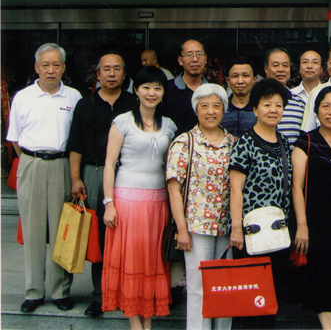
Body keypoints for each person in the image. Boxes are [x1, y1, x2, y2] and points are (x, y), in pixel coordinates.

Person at [7, 43, 82, 313]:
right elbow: (15, 138)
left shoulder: (73, 97)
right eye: (45, 65)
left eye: (56, 65)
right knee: (33, 230)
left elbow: (78, 138)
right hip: (31, 163)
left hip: (63, 165)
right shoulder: (23, 97)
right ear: (36, 67)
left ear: (63, 67)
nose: (51, 70)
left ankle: (60, 291)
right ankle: (33, 292)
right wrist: (32, 159)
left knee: (63, 230)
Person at [101, 66, 177, 330]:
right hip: (127, 202)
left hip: (158, 204)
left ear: (163, 92)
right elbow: (109, 164)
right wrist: (108, 203)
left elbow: (169, 167)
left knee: (152, 261)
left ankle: (148, 320)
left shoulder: (169, 126)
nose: (151, 93)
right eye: (146, 87)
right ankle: (135, 321)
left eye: (157, 87)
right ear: (136, 90)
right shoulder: (122, 122)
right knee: (131, 260)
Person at [67, 52, 135, 317]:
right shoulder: (85, 104)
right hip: (94, 174)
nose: (111, 73)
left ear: (124, 74)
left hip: (127, 175)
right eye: (106, 69)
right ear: (97, 74)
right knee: (100, 237)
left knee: (125, 236)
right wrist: (76, 178)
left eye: (117, 68)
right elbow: (75, 145)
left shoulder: (134, 103)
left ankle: (126, 291)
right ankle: (101, 294)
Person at [166, 84, 236, 330]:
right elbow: (174, 190)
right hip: (196, 227)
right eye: (204, 106)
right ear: (196, 109)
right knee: (198, 288)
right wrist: (181, 230)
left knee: (224, 287)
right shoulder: (184, 142)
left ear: (223, 110)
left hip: (227, 227)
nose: (210, 111)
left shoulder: (234, 143)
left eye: (216, 106)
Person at [228, 78, 292, 330]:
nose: (273, 110)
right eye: (267, 104)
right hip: (251, 232)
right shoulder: (245, 142)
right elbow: (236, 188)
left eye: (278, 105)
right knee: (248, 298)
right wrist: (236, 228)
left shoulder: (284, 142)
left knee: (269, 298)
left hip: (277, 231)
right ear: (255, 109)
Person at [291, 86, 331, 330]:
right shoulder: (305, 141)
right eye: (325, 106)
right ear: (317, 111)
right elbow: (297, 187)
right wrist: (302, 225)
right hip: (316, 223)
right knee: (321, 273)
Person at [263, 48, 306, 150]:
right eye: (276, 65)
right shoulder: (256, 100)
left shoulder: (299, 103)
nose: (281, 69)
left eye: (285, 65)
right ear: (266, 68)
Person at [164, 39, 209, 136]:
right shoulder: (167, 89)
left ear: (205, 59)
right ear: (180, 60)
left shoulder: (213, 89)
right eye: (189, 55)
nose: (195, 59)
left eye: (199, 55)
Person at [220, 56, 257, 137]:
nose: (240, 81)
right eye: (235, 76)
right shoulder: (220, 109)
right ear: (228, 80)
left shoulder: (261, 110)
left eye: (245, 75)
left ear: (255, 79)